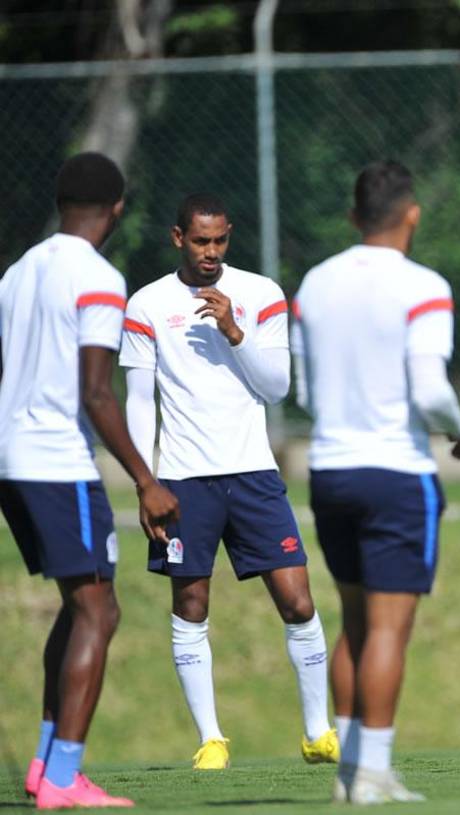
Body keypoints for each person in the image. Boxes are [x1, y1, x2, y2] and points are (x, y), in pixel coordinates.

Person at [120, 193, 337, 771]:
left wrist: (234, 331)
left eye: (219, 241)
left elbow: (276, 389)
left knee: (297, 599)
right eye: (200, 241)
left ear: (229, 236)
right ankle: (211, 739)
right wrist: (145, 483)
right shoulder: (146, 304)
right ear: (177, 238)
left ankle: (318, 731)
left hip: (254, 473)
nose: (211, 252)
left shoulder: (261, 293)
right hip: (183, 481)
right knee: (190, 602)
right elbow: (140, 402)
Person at [0, 152, 179, 809]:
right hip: (56, 461)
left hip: (11, 460)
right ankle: (64, 777)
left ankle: (47, 761)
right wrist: (145, 478)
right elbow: (98, 393)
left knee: (83, 606)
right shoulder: (100, 279)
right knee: (99, 609)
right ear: (118, 208)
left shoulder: (17, 273)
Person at [292, 159, 460, 805]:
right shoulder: (423, 284)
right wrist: (459, 429)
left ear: (352, 216)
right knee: (390, 630)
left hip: (330, 469)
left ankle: (348, 774)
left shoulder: (314, 283)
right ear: (412, 214)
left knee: (354, 622)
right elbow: (430, 389)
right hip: (396, 472)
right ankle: (372, 773)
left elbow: (307, 391)